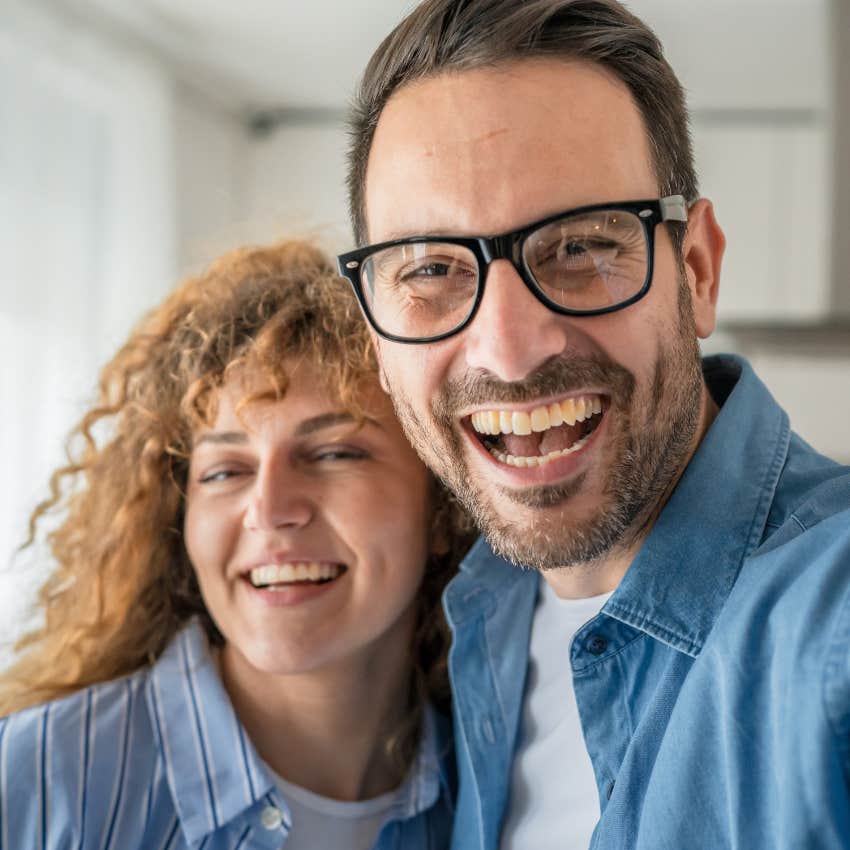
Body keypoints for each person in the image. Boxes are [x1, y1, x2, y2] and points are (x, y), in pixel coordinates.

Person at [336, 1, 850, 848]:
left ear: (697, 270)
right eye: (431, 268)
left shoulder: (826, 622)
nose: (506, 351)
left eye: (578, 247)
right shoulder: (469, 621)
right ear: (378, 342)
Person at [0, 240, 473, 849]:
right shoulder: (39, 777)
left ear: (443, 508)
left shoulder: (498, 791)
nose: (270, 512)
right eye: (225, 470)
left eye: (333, 453)